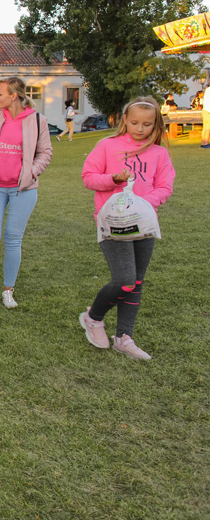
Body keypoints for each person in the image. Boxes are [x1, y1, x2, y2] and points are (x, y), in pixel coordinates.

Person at [79, 97, 176, 359]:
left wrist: (142, 204)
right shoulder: (107, 146)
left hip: (144, 225)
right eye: (134, 122)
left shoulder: (159, 153)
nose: (140, 129)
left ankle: (124, 337)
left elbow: (165, 187)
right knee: (124, 281)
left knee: (137, 282)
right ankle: (93, 318)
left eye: (147, 124)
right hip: (114, 225)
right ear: (124, 120)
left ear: (156, 124)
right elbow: (88, 178)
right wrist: (113, 179)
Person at [0, 77, 53, 309]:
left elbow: (45, 153)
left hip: (23, 189)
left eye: (0, 93)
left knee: (12, 239)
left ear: (15, 95)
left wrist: (31, 172)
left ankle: (8, 289)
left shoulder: (37, 120)